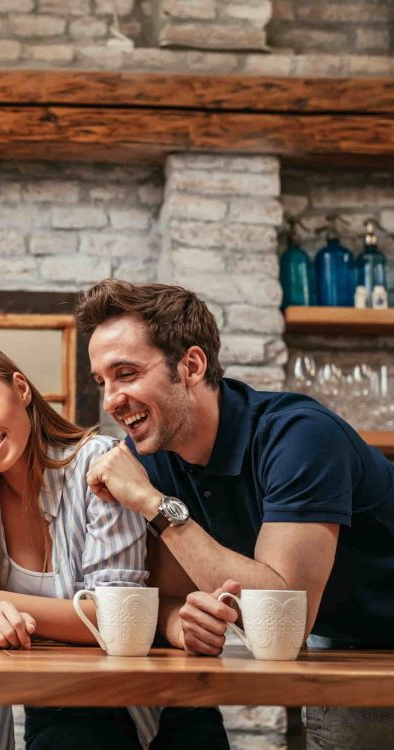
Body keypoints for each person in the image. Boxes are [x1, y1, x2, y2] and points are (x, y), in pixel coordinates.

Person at [78, 279, 394, 749]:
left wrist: (152, 504)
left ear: (191, 365)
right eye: (102, 381)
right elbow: (168, 595)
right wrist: (184, 619)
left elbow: (285, 616)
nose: (110, 401)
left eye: (125, 373)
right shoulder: (150, 455)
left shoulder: (299, 436)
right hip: (342, 643)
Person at [0, 337, 227, 750]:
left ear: (21, 389)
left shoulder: (100, 466)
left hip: (159, 710)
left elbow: (119, 618)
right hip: (57, 710)